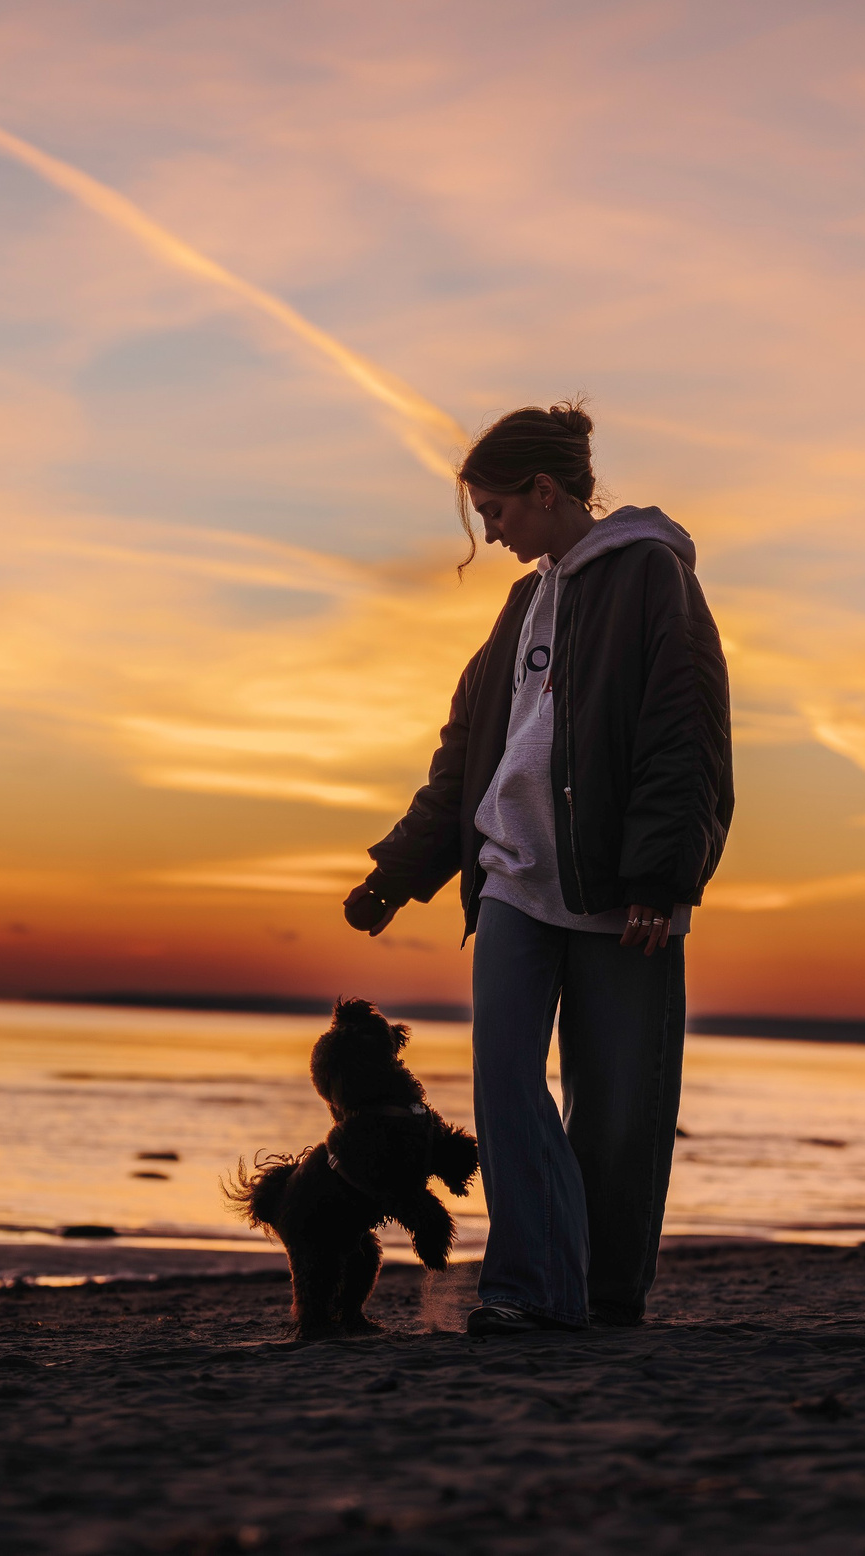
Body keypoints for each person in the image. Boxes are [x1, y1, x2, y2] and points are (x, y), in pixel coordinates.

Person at [343, 403, 732, 1333]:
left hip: (619, 890)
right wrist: (398, 871)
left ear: (545, 491)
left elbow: (684, 734)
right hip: (514, 878)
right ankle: (530, 1289)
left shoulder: (651, 577)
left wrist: (661, 879)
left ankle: (600, 1294)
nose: (492, 534)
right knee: (505, 1081)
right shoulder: (522, 606)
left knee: (616, 1105)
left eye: (498, 512)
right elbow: (473, 749)